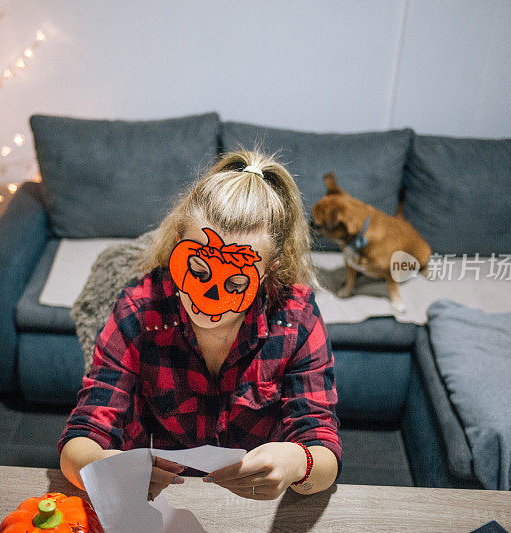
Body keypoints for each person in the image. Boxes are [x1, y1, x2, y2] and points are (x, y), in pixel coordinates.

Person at [59, 150, 341, 501]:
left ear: (271, 269)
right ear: (178, 240)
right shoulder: (139, 311)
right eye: (198, 271)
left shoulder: (296, 320)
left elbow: (322, 445)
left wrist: (299, 461)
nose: (207, 298)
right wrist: (103, 468)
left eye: (235, 284)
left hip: (251, 506)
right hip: (160, 504)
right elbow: (82, 435)